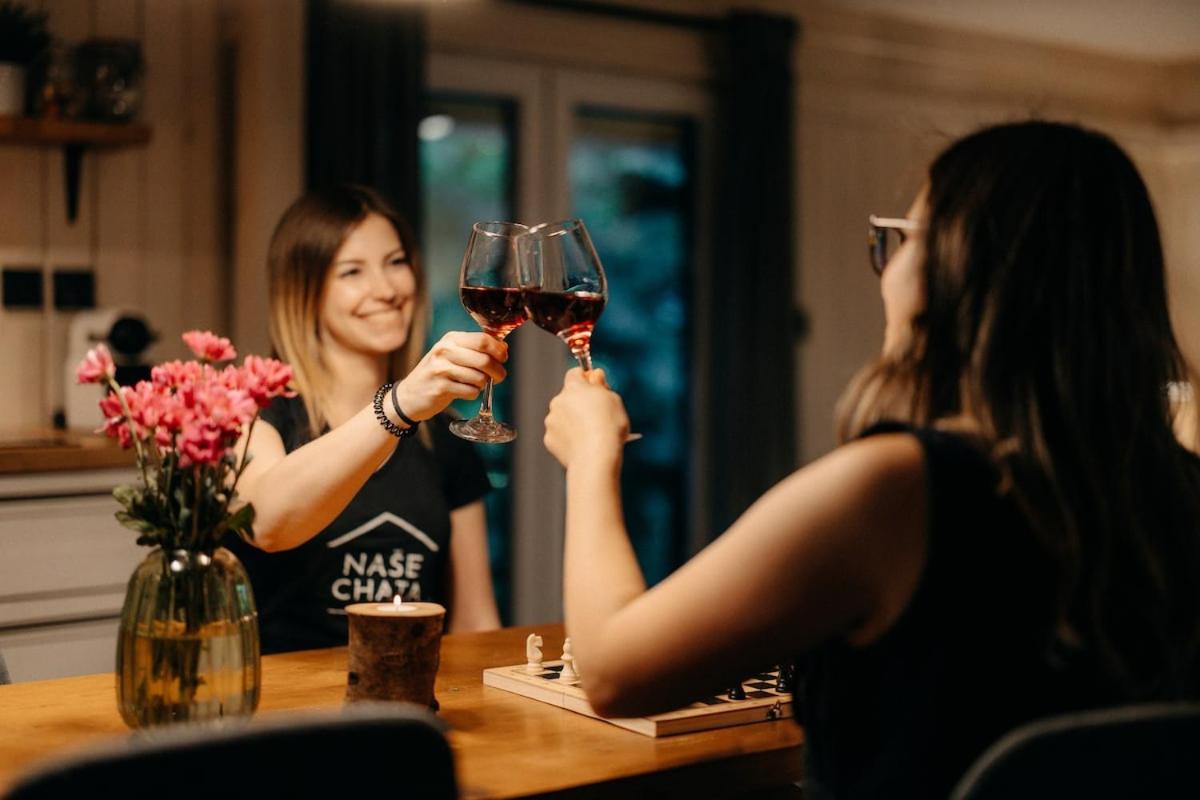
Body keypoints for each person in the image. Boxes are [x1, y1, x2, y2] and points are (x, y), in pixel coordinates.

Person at [543, 120, 1200, 798]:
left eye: (907, 240)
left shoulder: (892, 491)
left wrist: (591, 458)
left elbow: (615, 672)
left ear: (953, 276)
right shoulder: (1182, 494)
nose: (890, 270)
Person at [226, 184, 506, 653]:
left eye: (395, 263)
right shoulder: (252, 413)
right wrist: (397, 407)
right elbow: (265, 524)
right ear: (304, 291)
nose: (387, 290)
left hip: (410, 691)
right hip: (282, 695)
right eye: (352, 271)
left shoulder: (446, 440)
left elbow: (476, 620)